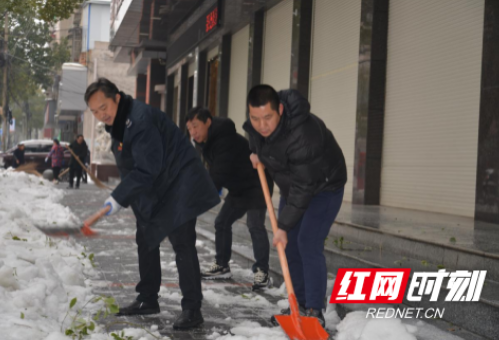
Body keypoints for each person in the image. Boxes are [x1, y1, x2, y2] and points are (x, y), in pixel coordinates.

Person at [84, 78, 220, 330]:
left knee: (182, 244)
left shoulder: (140, 120)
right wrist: (129, 196)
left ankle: (192, 308)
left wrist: (118, 197)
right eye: (95, 112)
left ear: (116, 98)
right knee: (146, 238)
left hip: (179, 181)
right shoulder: (120, 123)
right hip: (157, 185)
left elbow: (148, 167)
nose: (101, 115)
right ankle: (147, 298)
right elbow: (136, 167)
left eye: (104, 107)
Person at [243, 85, 347, 327]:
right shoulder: (258, 127)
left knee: (307, 243)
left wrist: (283, 226)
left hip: (324, 187)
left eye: (268, 118)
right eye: (255, 119)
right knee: (290, 248)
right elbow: (261, 143)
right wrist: (255, 154)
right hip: (294, 186)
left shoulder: (304, 134)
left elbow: (304, 187)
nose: (262, 125)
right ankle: (297, 304)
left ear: (279, 109)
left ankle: (314, 311)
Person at [186, 107, 273, 289]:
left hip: (256, 183)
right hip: (238, 187)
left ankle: (262, 272)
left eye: (195, 126)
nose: (193, 132)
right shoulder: (207, 141)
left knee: (255, 225)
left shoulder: (223, 140)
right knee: (222, 222)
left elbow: (219, 174)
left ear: (208, 122)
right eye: (189, 129)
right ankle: (222, 265)